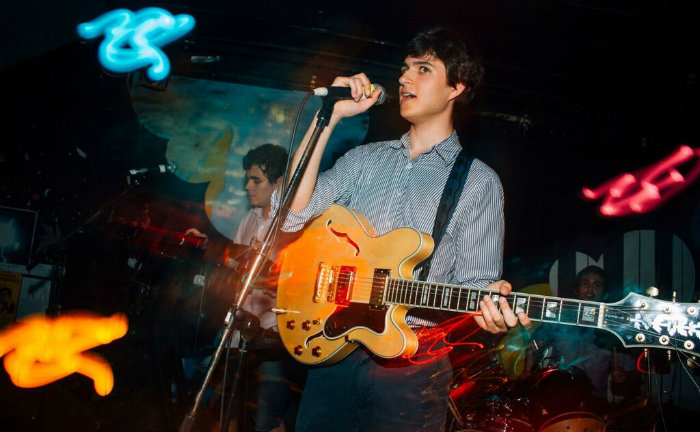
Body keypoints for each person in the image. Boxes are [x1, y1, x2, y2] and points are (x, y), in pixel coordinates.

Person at [270, 27, 531, 432]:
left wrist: (490, 311)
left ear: (455, 87)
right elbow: (287, 215)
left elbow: (475, 287)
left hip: (413, 369)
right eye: (405, 69)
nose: (404, 79)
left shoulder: (479, 182)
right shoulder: (363, 160)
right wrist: (329, 119)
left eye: (423, 69)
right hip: (334, 345)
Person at [527, 266, 641, 416]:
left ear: (605, 293)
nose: (590, 290)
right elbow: (533, 345)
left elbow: (631, 376)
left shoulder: (613, 329)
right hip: (556, 403)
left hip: (593, 407)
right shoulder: (560, 318)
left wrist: (622, 378)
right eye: (585, 284)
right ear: (576, 290)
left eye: (597, 285)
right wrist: (526, 373)